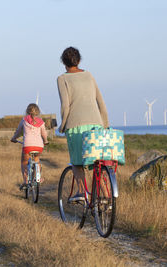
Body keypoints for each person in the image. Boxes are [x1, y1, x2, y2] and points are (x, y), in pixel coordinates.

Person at [57, 47, 109, 202]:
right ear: (79, 60)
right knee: (96, 161)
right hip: (96, 123)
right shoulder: (89, 75)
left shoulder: (62, 79)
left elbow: (65, 106)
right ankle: (106, 196)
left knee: (77, 162)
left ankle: (81, 192)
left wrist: (63, 125)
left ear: (64, 63)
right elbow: (101, 102)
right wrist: (105, 124)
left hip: (75, 124)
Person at [10, 103, 48, 189]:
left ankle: (26, 181)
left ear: (27, 111)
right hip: (39, 146)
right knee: (37, 161)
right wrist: (45, 141)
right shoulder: (41, 122)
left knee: (24, 162)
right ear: (38, 112)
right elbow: (44, 133)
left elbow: (18, 132)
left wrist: (14, 138)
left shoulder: (24, 120)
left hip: (27, 146)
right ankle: (38, 177)